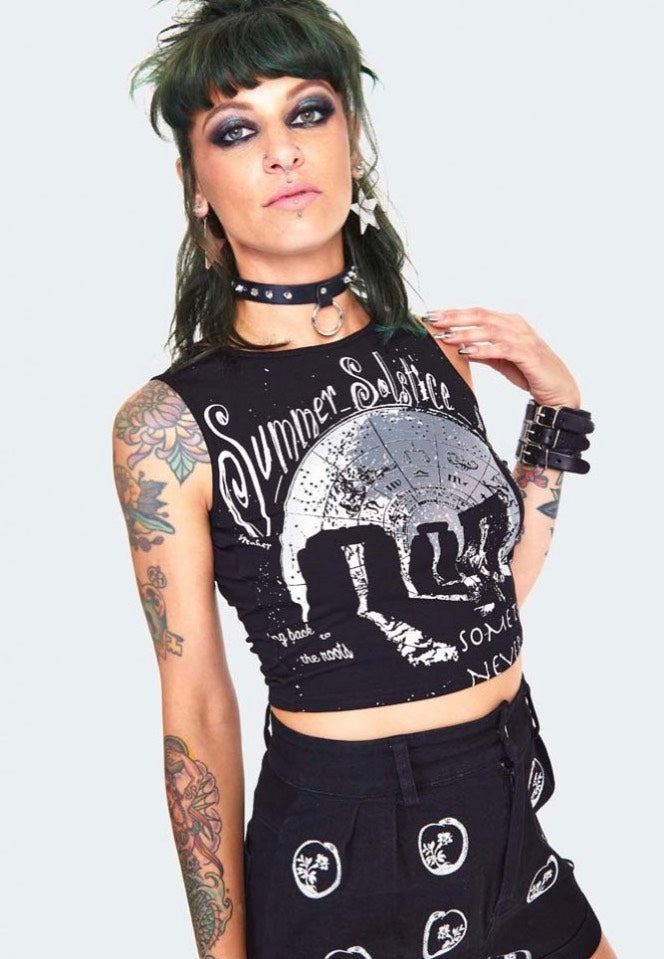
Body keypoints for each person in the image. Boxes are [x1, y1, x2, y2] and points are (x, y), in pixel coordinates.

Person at [113, 2, 616, 957]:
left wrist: (557, 414)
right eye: (236, 130)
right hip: (343, 854)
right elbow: (198, 705)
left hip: (511, 814)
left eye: (308, 112)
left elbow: (482, 602)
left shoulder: (435, 356)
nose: (282, 151)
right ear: (195, 184)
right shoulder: (167, 425)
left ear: (351, 138)